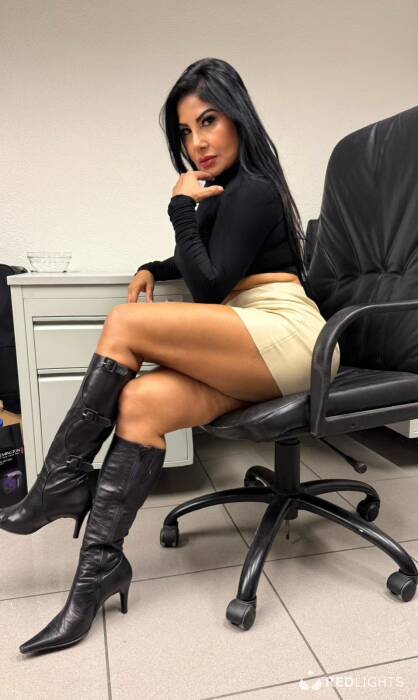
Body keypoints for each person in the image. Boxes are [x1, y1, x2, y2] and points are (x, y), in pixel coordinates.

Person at [1, 57, 340, 655]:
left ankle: (59, 483)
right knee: (140, 402)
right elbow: (200, 264)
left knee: (124, 323)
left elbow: (210, 285)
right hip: (248, 338)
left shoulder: (255, 189)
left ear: (237, 118)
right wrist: (150, 266)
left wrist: (179, 208)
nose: (197, 142)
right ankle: (98, 572)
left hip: (290, 334)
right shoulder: (221, 197)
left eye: (208, 121)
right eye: (185, 132)